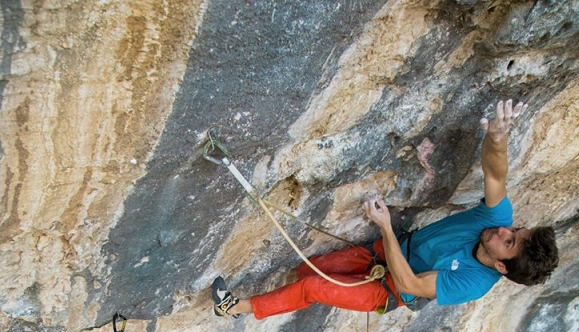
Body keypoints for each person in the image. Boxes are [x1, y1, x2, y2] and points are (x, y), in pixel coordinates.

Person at [212, 100, 558, 320]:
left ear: (501, 265)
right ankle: (280, 298)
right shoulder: (495, 221)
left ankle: (232, 307)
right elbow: (496, 174)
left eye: (509, 242)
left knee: (314, 287)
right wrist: (497, 139)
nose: (505, 230)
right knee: (309, 271)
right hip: (382, 254)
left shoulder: (473, 283)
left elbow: (408, 281)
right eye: (516, 230)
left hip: (387, 289)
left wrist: (386, 226)